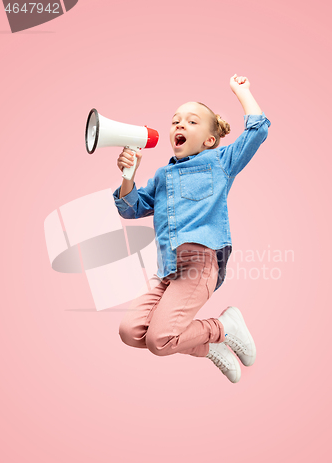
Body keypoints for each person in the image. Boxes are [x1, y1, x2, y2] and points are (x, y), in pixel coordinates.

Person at [112, 74, 271, 383]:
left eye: (191, 121)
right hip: (168, 269)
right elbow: (130, 208)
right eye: (175, 121)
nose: (179, 126)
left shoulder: (220, 161)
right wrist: (128, 176)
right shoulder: (162, 176)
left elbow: (257, 131)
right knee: (131, 332)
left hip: (199, 265)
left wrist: (242, 92)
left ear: (210, 140)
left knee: (159, 341)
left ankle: (223, 328)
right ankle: (209, 346)